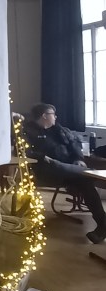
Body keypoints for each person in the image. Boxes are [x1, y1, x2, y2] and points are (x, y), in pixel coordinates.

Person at [23, 103, 106, 243]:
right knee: (83, 176)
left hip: (70, 170)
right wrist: (43, 157)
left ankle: (103, 225)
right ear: (44, 116)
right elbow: (26, 151)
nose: (55, 117)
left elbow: (74, 145)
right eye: (52, 114)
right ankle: (89, 174)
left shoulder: (60, 130)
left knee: (84, 182)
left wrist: (78, 159)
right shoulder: (28, 131)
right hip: (47, 171)